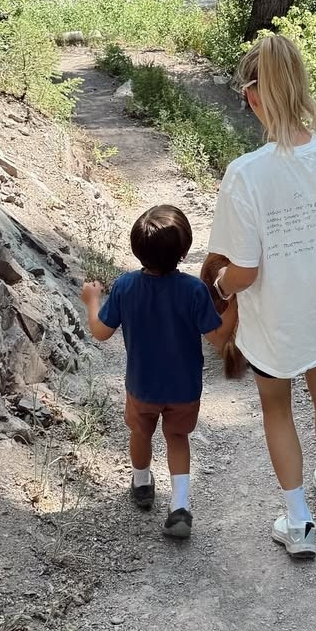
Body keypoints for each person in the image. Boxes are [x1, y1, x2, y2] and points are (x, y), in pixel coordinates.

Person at [208, 34, 316, 559]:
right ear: (302, 87)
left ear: (254, 97)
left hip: (276, 324)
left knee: (277, 408)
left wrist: (219, 289)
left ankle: (299, 521)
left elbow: (243, 270)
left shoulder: (246, 174)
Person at [81, 204, 223, 540]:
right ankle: (179, 508)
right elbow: (216, 338)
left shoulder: (126, 286)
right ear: (185, 251)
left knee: (140, 433)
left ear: (136, 249)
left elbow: (101, 333)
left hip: (141, 385)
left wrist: (91, 301)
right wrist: (234, 308)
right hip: (184, 387)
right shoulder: (194, 291)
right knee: (177, 438)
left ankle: (142, 484)